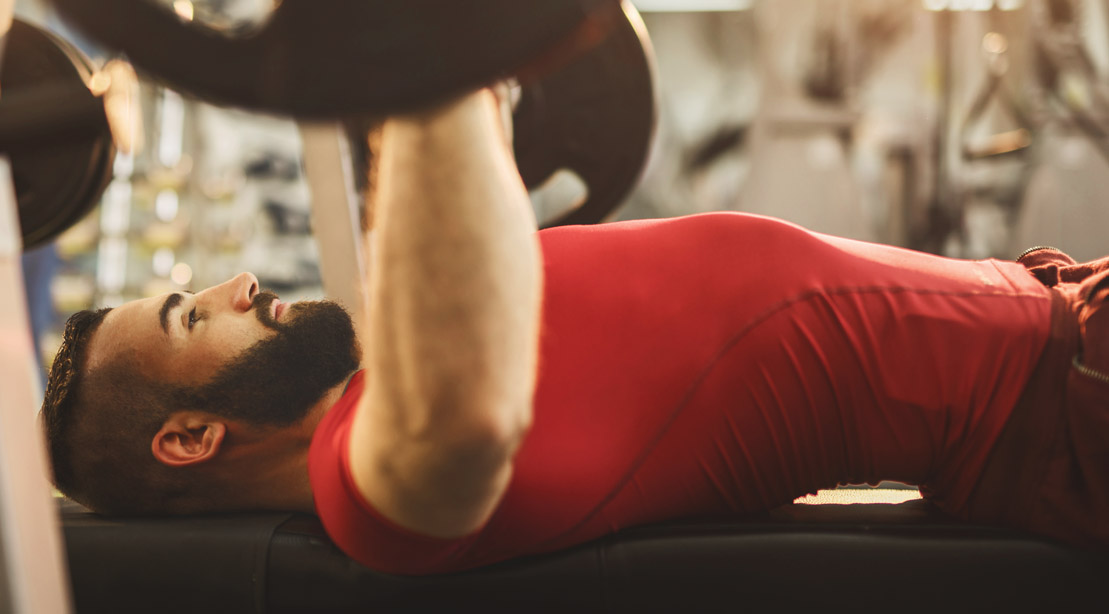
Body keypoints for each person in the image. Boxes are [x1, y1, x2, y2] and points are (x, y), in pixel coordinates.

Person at [40, 88, 1109, 576]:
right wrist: (429, 77)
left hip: (1056, 315)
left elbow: (467, 242)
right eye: (191, 316)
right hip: (1057, 399)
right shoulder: (368, 488)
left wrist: (473, 84)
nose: (235, 284)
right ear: (188, 436)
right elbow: (461, 420)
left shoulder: (389, 376)